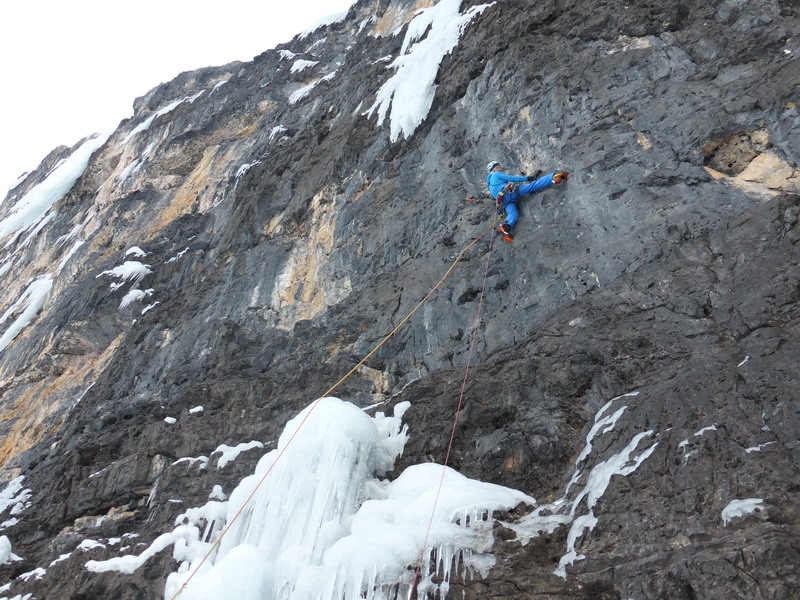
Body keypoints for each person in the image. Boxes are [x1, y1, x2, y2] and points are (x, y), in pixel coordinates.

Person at [485, 161, 569, 240]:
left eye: (499, 167)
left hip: (504, 202)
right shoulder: (496, 175)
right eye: (497, 167)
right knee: (532, 186)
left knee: (512, 213)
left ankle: (506, 226)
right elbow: (511, 178)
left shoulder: (489, 186)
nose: (499, 169)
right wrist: (528, 178)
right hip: (510, 193)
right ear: (492, 170)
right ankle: (553, 177)